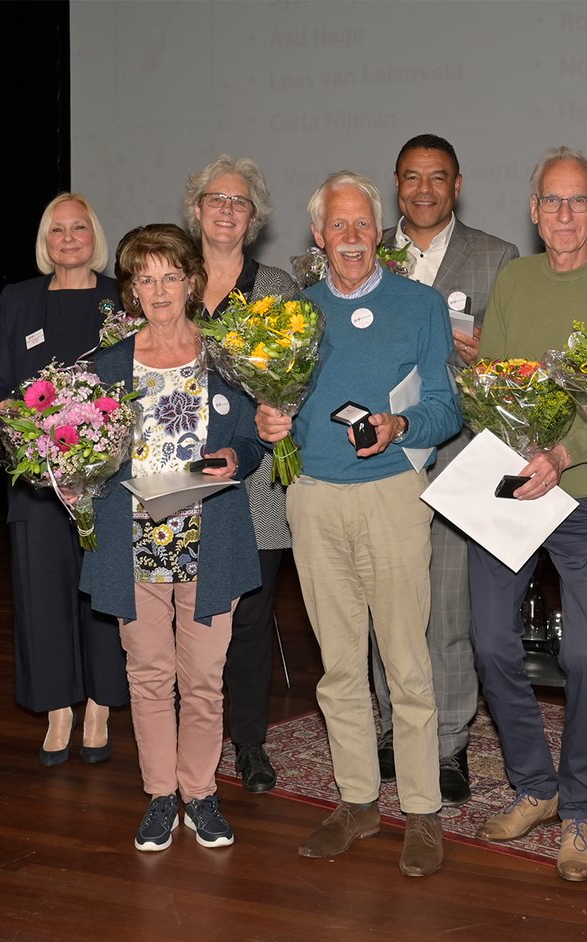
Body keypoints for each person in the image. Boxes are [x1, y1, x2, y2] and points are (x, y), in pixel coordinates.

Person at [256, 172, 461, 877]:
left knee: (405, 661)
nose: (350, 237)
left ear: (380, 231)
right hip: (313, 497)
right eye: (336, 226)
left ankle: (424, 812)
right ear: (318, 237)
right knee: (340, 664)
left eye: (361, 224)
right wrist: (270, 420)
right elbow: (277, 406)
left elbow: (447, 407)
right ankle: (357, 800)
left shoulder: (421, 305)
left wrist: (402, 422)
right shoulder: (296, 314)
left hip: (393, 495)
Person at [470, 147, 587, 882]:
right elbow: (496, 382)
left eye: (578, 201)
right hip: (514, 483)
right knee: (488, 640)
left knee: (584, 653)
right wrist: (522, 448)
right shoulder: (513, 278)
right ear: (535, 209)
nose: (565, 214)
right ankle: (535, 785)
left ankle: (579, 808)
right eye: (552, 201)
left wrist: (564, 454)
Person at [80, 224, 264, 852]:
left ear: (191, 281)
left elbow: (253, 441)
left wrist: (238, 457)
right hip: (132, 547)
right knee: (150, 678)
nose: (158, 290)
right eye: (144, 278)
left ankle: (202, 794)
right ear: (132, 288)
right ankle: (162, 796)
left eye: (169, 276)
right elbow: (85, 451)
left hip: (209, 542)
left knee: (205, 679)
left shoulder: (228, 356)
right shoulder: (107, 364)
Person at [369, 133, 519, 806]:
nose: (423, 189)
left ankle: (451, 741)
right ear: (396, 185)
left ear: (458, 185)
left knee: (450, 605)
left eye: (437, 177)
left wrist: (486, 350)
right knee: (387, 601)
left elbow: (515, 366)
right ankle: (394, 729)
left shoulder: (497, 257)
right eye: (410, 177)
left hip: (461, 456)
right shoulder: (364, 254)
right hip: (379, 456)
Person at [0, 192, 128, 766]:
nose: (69, 239)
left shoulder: (121, 297)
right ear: (45, 242)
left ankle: (98, 705)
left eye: (79, 228)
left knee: (102, 592)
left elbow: (137, 380)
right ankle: (57, 709)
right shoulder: (18, 300)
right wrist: (33, 431)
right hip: (35, 477)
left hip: (108, 479)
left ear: (96, 235)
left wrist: (102, 438)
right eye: (57, 230)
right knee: (42, 593)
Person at [185, 154, 298, 795]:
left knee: (251, 616)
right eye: (216, 198)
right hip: (181, 473)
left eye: (240, 202)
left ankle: (250, 743)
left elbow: (297, 376)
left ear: (253, 218)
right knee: (187, 612)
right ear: (196, 209)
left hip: (256, 478)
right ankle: (190, 739)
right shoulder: (169, 277)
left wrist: (280, 412)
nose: (227, 209)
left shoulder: (277, 286)